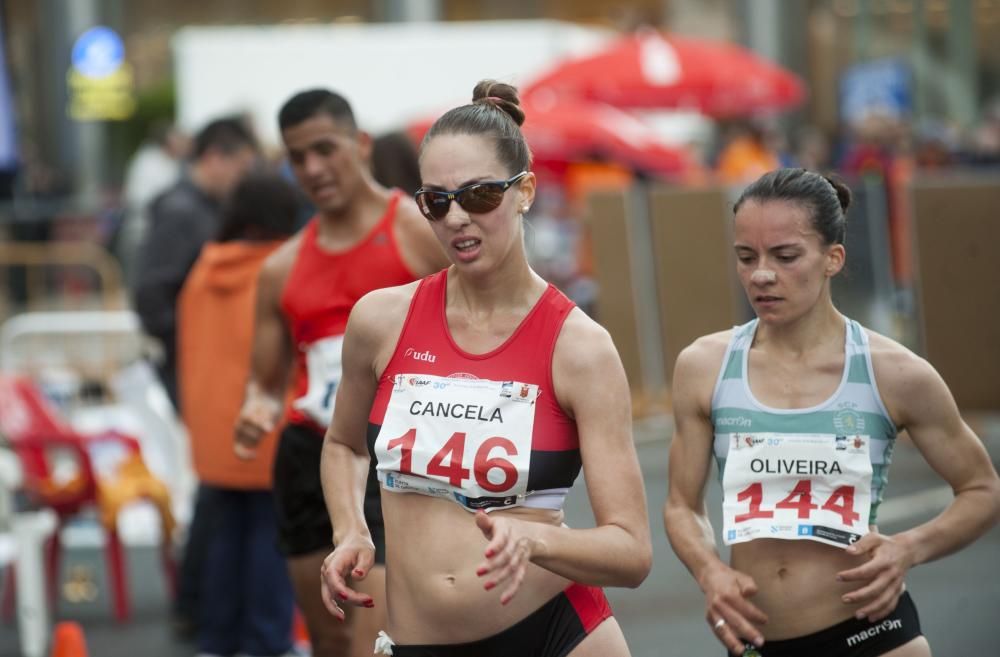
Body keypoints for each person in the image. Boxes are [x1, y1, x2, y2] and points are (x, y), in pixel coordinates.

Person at [318, 80, 652, 657]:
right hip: (416, 637)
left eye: (478, 196)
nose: (455, 219)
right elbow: (345, 445)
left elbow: (632, 551)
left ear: (524, 192)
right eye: (436, 201)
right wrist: (351, 527)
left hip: (555, 632)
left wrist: (535, 538)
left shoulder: (579, 348)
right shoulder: (380, 320)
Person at [663, 168, 1000, 657]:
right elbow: (680, 505)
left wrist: (909, 548)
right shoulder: (704, 366)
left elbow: (983, 489)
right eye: (745, 256)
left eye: (785, 256)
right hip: (755, 638)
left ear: (832, 259)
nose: (761, 274)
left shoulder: (895, 373)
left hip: (874, 633)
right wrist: (709, 571)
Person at [233, 89, 448, 657]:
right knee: (328, 637)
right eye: (297, 157)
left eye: (325, 150)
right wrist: (255, 408)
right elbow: (266, 378)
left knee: (371, 639)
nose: (312, 169)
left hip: (394, 451)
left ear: (360, 144)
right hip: (309, 456)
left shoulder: (416, 231)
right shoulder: (281, 268)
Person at [177, 170, 300, 657]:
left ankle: (217, 640)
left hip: (213, 429)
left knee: (224, 539)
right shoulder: (281, 270)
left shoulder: (203, 270)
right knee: (270, 542)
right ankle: (267, 643)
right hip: (267, 426)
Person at [134, 116, 258, 408]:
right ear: (214, 157)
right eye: (239, 169)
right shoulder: (180, 212)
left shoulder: (204, 206)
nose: (241, 181)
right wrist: (196, 339)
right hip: (187, 361)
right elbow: (153, 294)